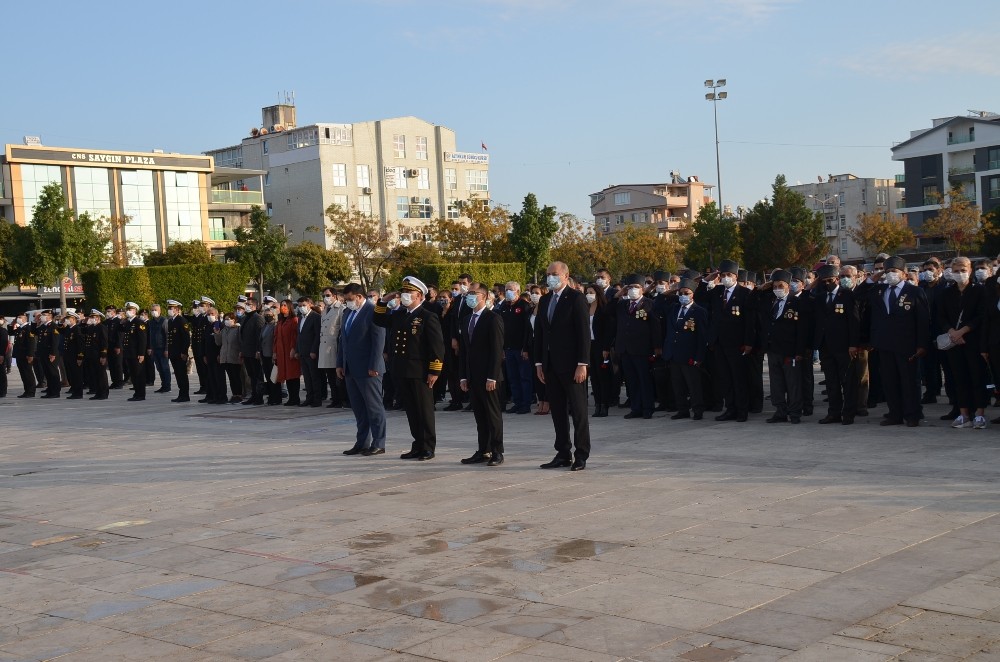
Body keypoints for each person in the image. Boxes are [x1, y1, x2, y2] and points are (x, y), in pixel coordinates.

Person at [374, 276, 445, 461]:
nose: (405, 295)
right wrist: (384, 300)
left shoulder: (428, 316)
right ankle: (418, 445)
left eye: (409, 292)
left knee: (424, 410)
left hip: (420, 371)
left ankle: (428, 447)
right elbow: (378, 319)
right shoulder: (399, 315)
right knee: (412, 410)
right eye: (403, 292)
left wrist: (434, 371)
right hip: (401, 369)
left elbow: (437, 347)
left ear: (419, 295)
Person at [534, 261, 591, 471]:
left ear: (566, 276)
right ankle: (563, 452)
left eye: (555, 274)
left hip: (572, 365)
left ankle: (581, 454)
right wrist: (539, 362)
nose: (550, 278)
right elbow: (540, 332)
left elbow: (584, 334)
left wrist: (582, 363)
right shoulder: (546, 299)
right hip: (550, 365)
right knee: (557, 411)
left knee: (578, 411)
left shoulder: (576, 298)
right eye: (548, 274)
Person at [869, 255, 929, 427]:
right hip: (885, 344)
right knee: (889, 381)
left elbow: (923, 320)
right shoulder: (879, 291)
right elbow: (859, 295)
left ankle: (913, 414)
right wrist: (874, 278)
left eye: (893, 271)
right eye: (887, 272)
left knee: (909, 381)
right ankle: (895, 413)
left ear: (903, 273)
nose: (890, 275)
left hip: (907, 345)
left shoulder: (914, 291)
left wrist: (922, 344)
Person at [458, 282, 506, 466]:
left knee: (493, 415)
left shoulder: (493, 319)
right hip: (473, 376)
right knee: (479, 415)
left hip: (489, 376)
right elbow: (464, 351)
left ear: (484, 297)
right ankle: (483, 449)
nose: (469, 296)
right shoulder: (466, 319)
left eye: (473, 293)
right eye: (468, 293)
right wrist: (463, 376)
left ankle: (497, 451)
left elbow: (496, 350)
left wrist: (492, 376)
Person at [938, 257, 988, 429]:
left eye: (963, 270)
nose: (959, 274)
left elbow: (981, 315)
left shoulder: (979, 291)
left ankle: (980, 414)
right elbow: (941, 316)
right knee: (959, 378)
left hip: (973, 341)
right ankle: (963, 413)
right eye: (956, 271)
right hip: (954, 342)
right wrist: (952, 332)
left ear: (970, 270)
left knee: (977, 376)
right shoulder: (946, 293)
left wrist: (963, 330)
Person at [338, 283, 387, 456]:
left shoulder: (373, 311)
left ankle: (379, 442)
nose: (347, 303)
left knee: (374, 408)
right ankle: (362, 442)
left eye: (350, 299)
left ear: (360, 297)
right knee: (359, 409)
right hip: (351, 368)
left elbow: (378, 341)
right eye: (345, 300)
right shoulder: (347, 313)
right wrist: (340, 363)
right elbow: (342, 341)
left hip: (369, 369)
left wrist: (374, 365)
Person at [709, 259, 756, 422]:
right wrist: (709, 279)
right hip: (720, 342)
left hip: (737, 343)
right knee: (725, 378)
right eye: (723, 275)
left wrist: (749, 342)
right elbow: (699, 295)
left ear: (736, 276)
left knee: (738, 378)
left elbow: (750, 321)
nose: (726, 277)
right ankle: (730, 408)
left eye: (729, 275)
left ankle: (742, 410)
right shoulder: (716, 291)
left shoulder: (745, 293)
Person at [813, 265, 861, 425]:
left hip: (844, 346)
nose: (827, 284)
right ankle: (833, 413)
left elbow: (854, 322)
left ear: (837, 279)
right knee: (831, 382)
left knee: (848, 382)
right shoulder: (820, 297)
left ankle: (848, 413)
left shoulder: (847, 295)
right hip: (826, 346)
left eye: (830, 280)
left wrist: (853, 344)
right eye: (824, 281)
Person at [759, 271, 808, 424]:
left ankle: (794, 413)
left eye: (781, 286)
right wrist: (764, 288)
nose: (777, 288)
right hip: (773, 349)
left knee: (793, 383)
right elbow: (752, 301)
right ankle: (780, 411)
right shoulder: (770, 301)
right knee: (776, 383)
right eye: (775, 286)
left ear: (788, 286)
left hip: (791, 351)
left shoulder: (797, 302)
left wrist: (799, 351)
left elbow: (802, 330)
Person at [615, 274, 662, 419]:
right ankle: (635, 408)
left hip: (642, 348)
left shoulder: (649, 303)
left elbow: (655, 327)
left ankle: (647, 408)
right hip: (625, 348)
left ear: (642, 289)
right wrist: (619, 294)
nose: (633, 290)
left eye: (636, 287)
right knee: (631, 381)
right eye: (630, 287)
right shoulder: (623, 304)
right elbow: (607, 311)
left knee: (644, 379)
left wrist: (656, 346)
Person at [663, 278, 708, 420]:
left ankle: (697, 409)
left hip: (690, 355)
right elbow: (658, 304)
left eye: (686, 293)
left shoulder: (699, 311)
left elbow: (702, 337)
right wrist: (673, 290)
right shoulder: (673, 308)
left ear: (692, 294)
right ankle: (682, 410)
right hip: (673, 354)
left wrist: (698, 357)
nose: (683, 295)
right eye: (681, 293)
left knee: (693, 385)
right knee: (677, 385)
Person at [499, 281, 533, 415]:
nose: (508, 292)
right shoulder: (503, 307)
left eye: (511, 289)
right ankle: (517, 403)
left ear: (518, 292)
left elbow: (527, 330)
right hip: (508, 348)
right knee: (513, 378)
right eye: (507, 289)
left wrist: (525, 348)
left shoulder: (524, 306)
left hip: (521, 349)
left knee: (524, 377)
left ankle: (526, 404)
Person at [586, 284, 615, 417]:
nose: (588, 295)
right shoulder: (586, 308)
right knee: (594, 377)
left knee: (602, 376)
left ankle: (604, 405)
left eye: (591, 292)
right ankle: (597, 404)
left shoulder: (604, 308)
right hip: (588, 345)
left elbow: (608, 330)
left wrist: (606, 348)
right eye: (587, 292)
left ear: (597, 294)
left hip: (600, 346)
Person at [524, 284, 549, 415]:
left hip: (544, 345)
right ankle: (541, 400)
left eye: (537, 292)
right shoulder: (530, 310)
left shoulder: (545, 309)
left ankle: (547, 401)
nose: (534, 295)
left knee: (545, 373)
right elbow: (527, 331)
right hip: (533, 344)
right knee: (536, 374)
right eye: (532, 292)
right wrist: (526, 348)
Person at [319, 287, 345, 408]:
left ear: (334, 296)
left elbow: (342, 330)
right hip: (325, 347)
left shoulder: (341, 309)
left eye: (328, 295)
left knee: (337, 377)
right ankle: (335, 399)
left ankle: (341, 399)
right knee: (330, 376)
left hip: (334, 347)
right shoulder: (325, 310)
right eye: (324, 295)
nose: (326, 298)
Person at [275, 300, 302, 406]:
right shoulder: (280, 321)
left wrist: (293, 349)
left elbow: (295, 336)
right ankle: (291, 398)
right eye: (281, 305)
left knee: (293, 376)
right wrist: (275, 352)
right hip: (282, 353)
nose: (282, 307)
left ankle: (295, 398)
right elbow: (276, 337)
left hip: (290, 352)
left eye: (285, 305)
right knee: (286, 376)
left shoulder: (294, 320)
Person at [165, 300, 191, 403]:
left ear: (177, 309)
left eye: (171, 308)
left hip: (180, 353)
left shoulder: (181, 320)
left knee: (182, 374)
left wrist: (184, 352)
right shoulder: (171, 321)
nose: (169, 310)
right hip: (173, 352)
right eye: (169, 308)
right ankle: (181, 393)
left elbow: (186, 338)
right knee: (177, 374)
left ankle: (185, 395)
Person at [121, 302, 147, 402]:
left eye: (130, 310)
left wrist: (141, 354)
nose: (128, 311)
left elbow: (142, 340)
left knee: (139, 374)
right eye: (127, 309)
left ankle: (141, 394)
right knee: (133, 374)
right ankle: (136, 393)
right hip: (129, 353)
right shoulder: (128, 322)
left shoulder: (139, 322)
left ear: (135, 311)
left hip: (137, 353)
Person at [82, 310, 109, 400]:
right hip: (91, 355)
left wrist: (103, 356)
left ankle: (104, 393)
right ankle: (98, 392)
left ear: (98, 318)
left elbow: (104, 342)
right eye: (91, 317)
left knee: (101, 375)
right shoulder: (91, 328)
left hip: (99, 355)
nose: (91, 319)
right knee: (95, 375)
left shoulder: (102, 327)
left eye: (93, 318)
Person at [35, 310, 62, 399]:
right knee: (47, 373)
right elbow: (34, 332)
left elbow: (55, 341)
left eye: (44, 315)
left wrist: (53, 353)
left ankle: (55, 391)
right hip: (43, 353)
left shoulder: (53, 326)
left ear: (49, 316)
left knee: (53, 372)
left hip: (51, 354)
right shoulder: (43, 326)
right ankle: (50, 390)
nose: (41, 316)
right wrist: (36, 321)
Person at [218, 311, 243, 403]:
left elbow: (240, 342)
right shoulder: (224, 330)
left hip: (234, 356)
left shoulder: (238, 329)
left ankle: (239, 394)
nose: (226, 321)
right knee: (231, 377)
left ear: (234, 320)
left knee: (236, 376)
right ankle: (234, 394)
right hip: (225, 357)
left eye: (228, 319)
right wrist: (217, 334)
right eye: (225, 319)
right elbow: (219, 342)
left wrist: (241, 353)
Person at [146, 304, 170, 394]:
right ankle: (163, 385)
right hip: (155, 348)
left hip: (162, 348)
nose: (153, 312)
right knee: (159, 368)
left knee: (165, 368)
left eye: (155, 310)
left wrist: (167, 349)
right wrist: (150, 348)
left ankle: (167, 386)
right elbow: (150, 336)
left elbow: (167, 336)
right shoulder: (151, 322)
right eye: (152, 310)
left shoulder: (164, 321)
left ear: (160, 311)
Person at [259, 305, 279, 405]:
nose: (267, 316)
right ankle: (271, 396)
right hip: (264, 354)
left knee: (274, 377)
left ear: (274, 316)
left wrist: (274, 354)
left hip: (272, 354)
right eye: (265, 315)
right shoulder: (264, 326)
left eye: (269, 315)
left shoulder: (275, 326)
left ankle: (276, 397)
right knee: (268, 376)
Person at [13, 313, 36, 398]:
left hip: (26, 355)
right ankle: (26, 391)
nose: (18, 318)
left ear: (25, 319)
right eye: (17, 317)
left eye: (20, 317)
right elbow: (11, 331)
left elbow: (31, 342)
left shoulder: (29, 328)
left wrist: (30, 354)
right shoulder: (20, 328)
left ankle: (31, 391)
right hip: (20, 355)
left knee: (28, 373)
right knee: (23, 374)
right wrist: (14, 322)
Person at [62, 312, 84, 399]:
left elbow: (80, 345)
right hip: (68, 356)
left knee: (77, 375)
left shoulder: (77, 329)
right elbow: (59, 329)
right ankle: (74, 391)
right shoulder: (68, 329)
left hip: (75, 356)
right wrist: (61, 321)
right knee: (71, 375)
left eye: (68, 319)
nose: (66, 320)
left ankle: (78, 393)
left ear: (74, 320)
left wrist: (80, 357)